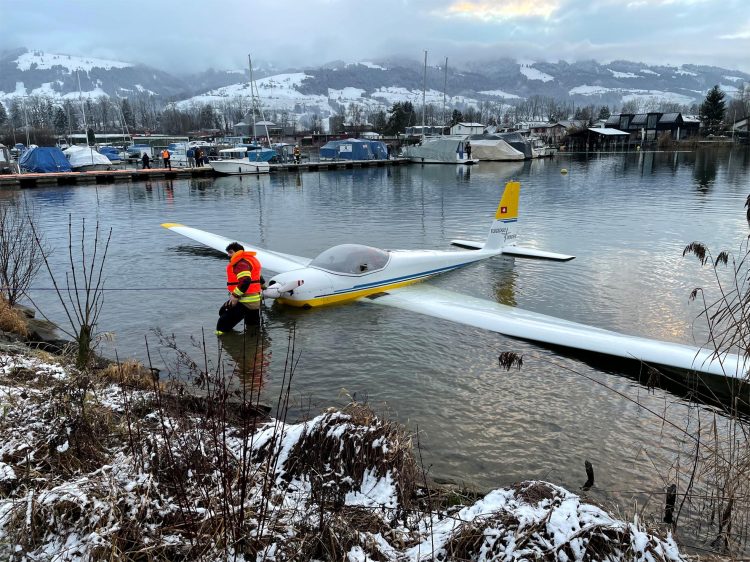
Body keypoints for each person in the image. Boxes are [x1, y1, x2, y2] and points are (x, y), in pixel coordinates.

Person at [216, 242, 264, 335]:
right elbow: (258, 277)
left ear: (238, 252)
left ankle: (221, 342)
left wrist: (235, 296)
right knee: (252, 325)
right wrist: (263, 285)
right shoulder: (249, 260)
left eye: (230, 252)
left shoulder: (240, 262)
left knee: (222, 323)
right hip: (255, 300)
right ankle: (254, 342)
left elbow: (245, 280)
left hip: (245, 301)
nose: (228, 255)